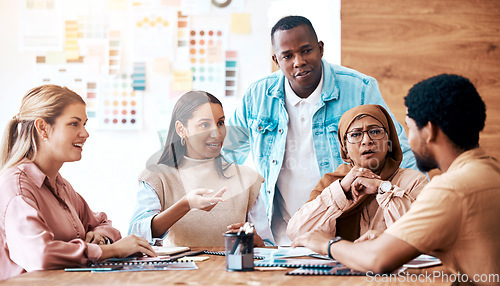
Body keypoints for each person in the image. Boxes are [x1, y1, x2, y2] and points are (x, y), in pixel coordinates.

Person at [223, 15, 416, 245]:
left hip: (345, 235)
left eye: (306, 50)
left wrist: (415, 217)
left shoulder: (359, 89)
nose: (299, 61)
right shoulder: (257, 97)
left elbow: (400, 154)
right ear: (276, 59)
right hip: (279, 240)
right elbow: (225, 155)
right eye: (288, 56)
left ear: (321, 48)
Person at [292, 74, 500, 285]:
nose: (408, 140)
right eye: (355, 135)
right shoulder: (490, 171)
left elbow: (377, 260)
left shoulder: (450, 189)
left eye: (409, 128)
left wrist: (327, 244)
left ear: (429, 131)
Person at [0, 85, 155, 281]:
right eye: (74, 124)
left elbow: (102, 223)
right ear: (42, 128)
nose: (85, 133)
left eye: (85, 124)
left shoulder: (60, 186)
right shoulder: (16, 188)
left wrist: (102, 238)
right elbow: (40, 255)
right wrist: (110, 250)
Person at [128, 91, 268, 247]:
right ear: (181, 129)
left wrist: (258, 242)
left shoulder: (247, 178)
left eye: (220, 123)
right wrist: (186, 205)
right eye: (205, 125)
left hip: (232, 270)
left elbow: (268, 245)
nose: (216, 133)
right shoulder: (157, 176)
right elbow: (136, 235)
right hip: (176, 271)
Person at [287, 105, 427, 242]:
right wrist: (341, 191)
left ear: (389, 142)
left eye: (375, 132)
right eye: (356, 135)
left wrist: (382, 187)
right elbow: (297, 234)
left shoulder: (413, 182)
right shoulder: (332, 183)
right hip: (338, 264)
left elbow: (419, 235)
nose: (367, 141)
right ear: (345, 148)